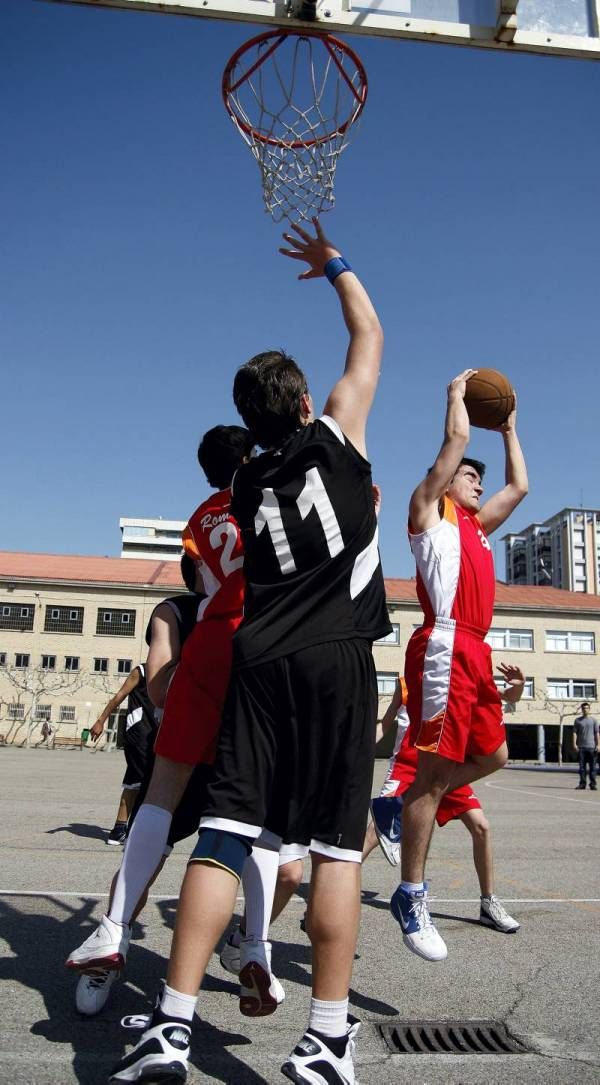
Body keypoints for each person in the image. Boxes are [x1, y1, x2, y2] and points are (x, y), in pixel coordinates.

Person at [109, 219, 388, 1085]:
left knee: (225, 835)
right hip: (336, 658)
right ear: (306, 405)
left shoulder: (241, 485)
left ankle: (172, 1023)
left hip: (258, 665)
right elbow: (369, 334)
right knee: (338, 851)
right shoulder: (339, 434)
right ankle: (328, 1037)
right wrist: (334, 263)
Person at [66, 427, 267, 1008]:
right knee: (241, 848)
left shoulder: (201, 538)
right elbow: (157, 686)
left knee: (238, 851)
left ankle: (235, 943)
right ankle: (131, 941)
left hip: (211, 692)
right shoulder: (181, 610)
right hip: (226, 703)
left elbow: (159, 690)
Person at [392, 369, 528, 962]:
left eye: (478, 477)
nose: (477, 481)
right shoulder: (429, 513)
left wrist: (510, 427)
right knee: (433, 771)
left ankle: (409, 801)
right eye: (468, 476)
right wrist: (454, 399)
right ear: (447, 482)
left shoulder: (477, 527)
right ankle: (411, 892)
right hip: (445, 645)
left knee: (494, 755)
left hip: (478, 649)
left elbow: (520, 485)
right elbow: (450, 450)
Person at [67, 554, 205, 1015]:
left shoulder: (262, 605)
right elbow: (159, 688)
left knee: (275, 865)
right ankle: (111, 939)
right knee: (144, 861)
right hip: (180, 754)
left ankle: (248, 945)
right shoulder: (176, 613)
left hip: (241, 758)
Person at [365, 669, 524, 940]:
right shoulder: (406, 682)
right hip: (407, 768)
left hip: (446, 767)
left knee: (481, 827)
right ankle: (326, 896)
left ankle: (488, 903)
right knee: (372, 833)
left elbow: (504, 699)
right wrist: (361, 746)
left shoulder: (458, 676)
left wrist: (518, 689)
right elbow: (387, 721)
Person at [91, 664, 157, 846]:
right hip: (139, 731)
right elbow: (119, 696)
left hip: (156, 732)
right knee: (138, 779)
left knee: (147, 781)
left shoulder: (169, 672)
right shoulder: (141, 671)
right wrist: (101, 720)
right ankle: (122, 830)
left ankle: (124, 829)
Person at [573, 702, 598, 790]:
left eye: (587, 708)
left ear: (589, 709)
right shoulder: (577, 720)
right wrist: (574, 744)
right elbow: (575, 733)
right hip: (581, 747)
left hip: (592, 747)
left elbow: (597, 734)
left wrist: (598, 745)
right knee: (582, 768)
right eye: (584, 708)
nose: (585, 709)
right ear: (581, 709)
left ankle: (593, 784)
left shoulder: (594, 720)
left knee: (593, 767)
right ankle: (582, 784)